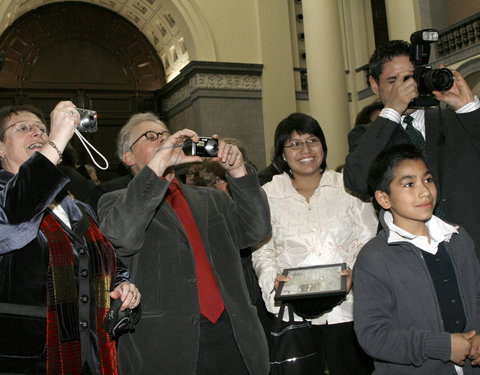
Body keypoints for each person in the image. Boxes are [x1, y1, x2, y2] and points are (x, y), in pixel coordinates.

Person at [97, 112, 271, 375]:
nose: (165, 141)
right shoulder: (114, 202)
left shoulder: (213, 199)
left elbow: (256, 231)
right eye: (151, 137)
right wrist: (157, 167)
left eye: (166, 136)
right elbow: (122, 238)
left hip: (233, 336)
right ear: (128, 157)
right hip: (166, 348)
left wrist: (238, 172)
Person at [0, 102, 141, 374]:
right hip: (27, 359)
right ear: (1, 148)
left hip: (90, 352)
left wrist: (124, 286)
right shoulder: (7, 201)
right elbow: (16, 219)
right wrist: (57, 138)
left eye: (42, 129)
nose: (38, 133)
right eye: (23, 128)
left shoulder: (76, 206)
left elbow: (113, 265)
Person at [252, 113, 378, 375]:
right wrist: (271, 280)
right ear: (282, 154)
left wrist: (358, 274)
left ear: (323, 146)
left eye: (312, 140)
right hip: (294, 314)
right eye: (294, 144)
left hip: (349, 308)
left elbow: (368, 239)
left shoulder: (348, 187)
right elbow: (263, 250)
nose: (305, 150)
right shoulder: (268, 195)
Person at [343, 39, 480, 257]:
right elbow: (357, 181)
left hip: (471, 251)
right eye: (393, 81)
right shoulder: (368, 135)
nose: (405, 88)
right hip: (409, 262)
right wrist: (392, 110)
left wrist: (469, 107)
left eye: (409, 78)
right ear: (374, 84)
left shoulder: (457, 120)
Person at [353, 143, 480, 374]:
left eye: (428, 180)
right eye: (409, 184)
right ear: (384, 198)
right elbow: (373, 336)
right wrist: (442, 346)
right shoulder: (374, 258)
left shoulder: (458, 239)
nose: (424, 191)